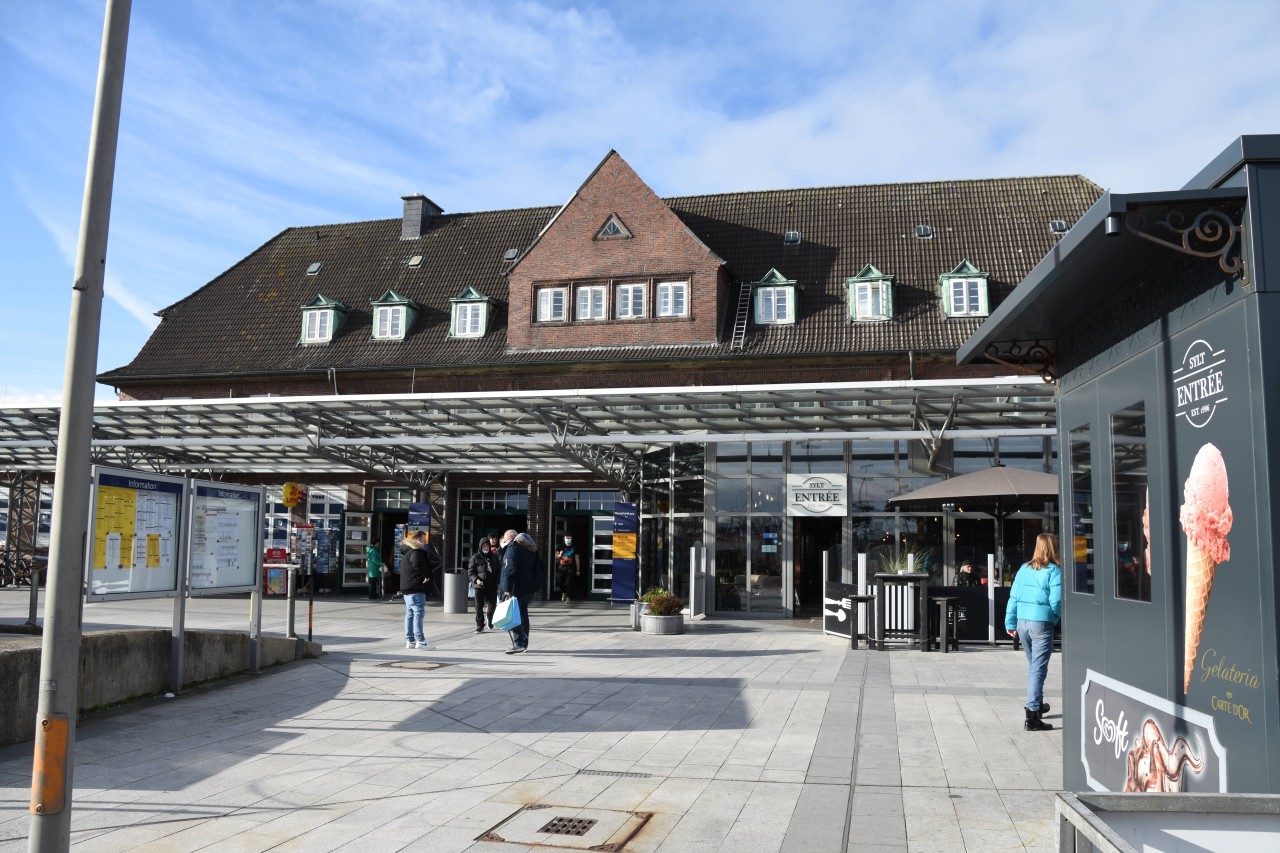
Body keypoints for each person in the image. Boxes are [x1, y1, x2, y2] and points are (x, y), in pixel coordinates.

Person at [1004, 533, 1062, 731]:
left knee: (1034, 667)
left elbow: (1013, 597)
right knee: (1038, 668)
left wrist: (1010, 622)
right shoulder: (1054, 571)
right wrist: (1056, 616)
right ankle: (1032, 717)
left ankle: (1037, 706)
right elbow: (1057, 601)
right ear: (1054, 548)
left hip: (1022, 623)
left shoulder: (1024, 568)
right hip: (1041, 624)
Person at [498, 529, 543, 654]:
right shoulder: (530, 548)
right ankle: (524, 642)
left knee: (514, 616)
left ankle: (518, 643)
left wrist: (506, 589)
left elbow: (509, 569)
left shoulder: (513, 548)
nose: (504, 543)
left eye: (505, 541)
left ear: (510, 539)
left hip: (516, 589)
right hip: (527, 588)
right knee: (523, 614)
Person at [400, 529, 435, 650]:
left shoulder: (406, 552)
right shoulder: (416, 552)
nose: (425, 542)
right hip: (415, 587)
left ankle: (410, 640)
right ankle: (421, 640)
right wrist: (427, 575)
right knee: (418, 613)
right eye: (424, 539)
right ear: (418, 538)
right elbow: (417, 564)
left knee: (410, 614)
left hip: (407, 588)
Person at [468, 537, 500, 632]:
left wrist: (498, 582)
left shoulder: (494, 557)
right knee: (478, 606)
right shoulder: (475, 557)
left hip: (491, 585)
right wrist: (476, 580)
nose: (486, 548)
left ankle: (489, 618)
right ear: (480, 547)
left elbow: (498, 571)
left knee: (492, 605)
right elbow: (471, 572)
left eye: (487, 546)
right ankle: (480, 625)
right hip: (479, 585)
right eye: (484, 546)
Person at [554, 534, 581, 603]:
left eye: (569, 538)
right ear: (564, 539)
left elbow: (577, 559)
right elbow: (556, 555)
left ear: (571, 539)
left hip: (571, 567)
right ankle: (564, 592)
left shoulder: (575, 547)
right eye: (566, 538)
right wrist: (559, 555)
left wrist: (578, 570)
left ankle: (568, 597)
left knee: (569, 582)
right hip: (562, 566)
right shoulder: (561, 546)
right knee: (559, 581)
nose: (567, 539)